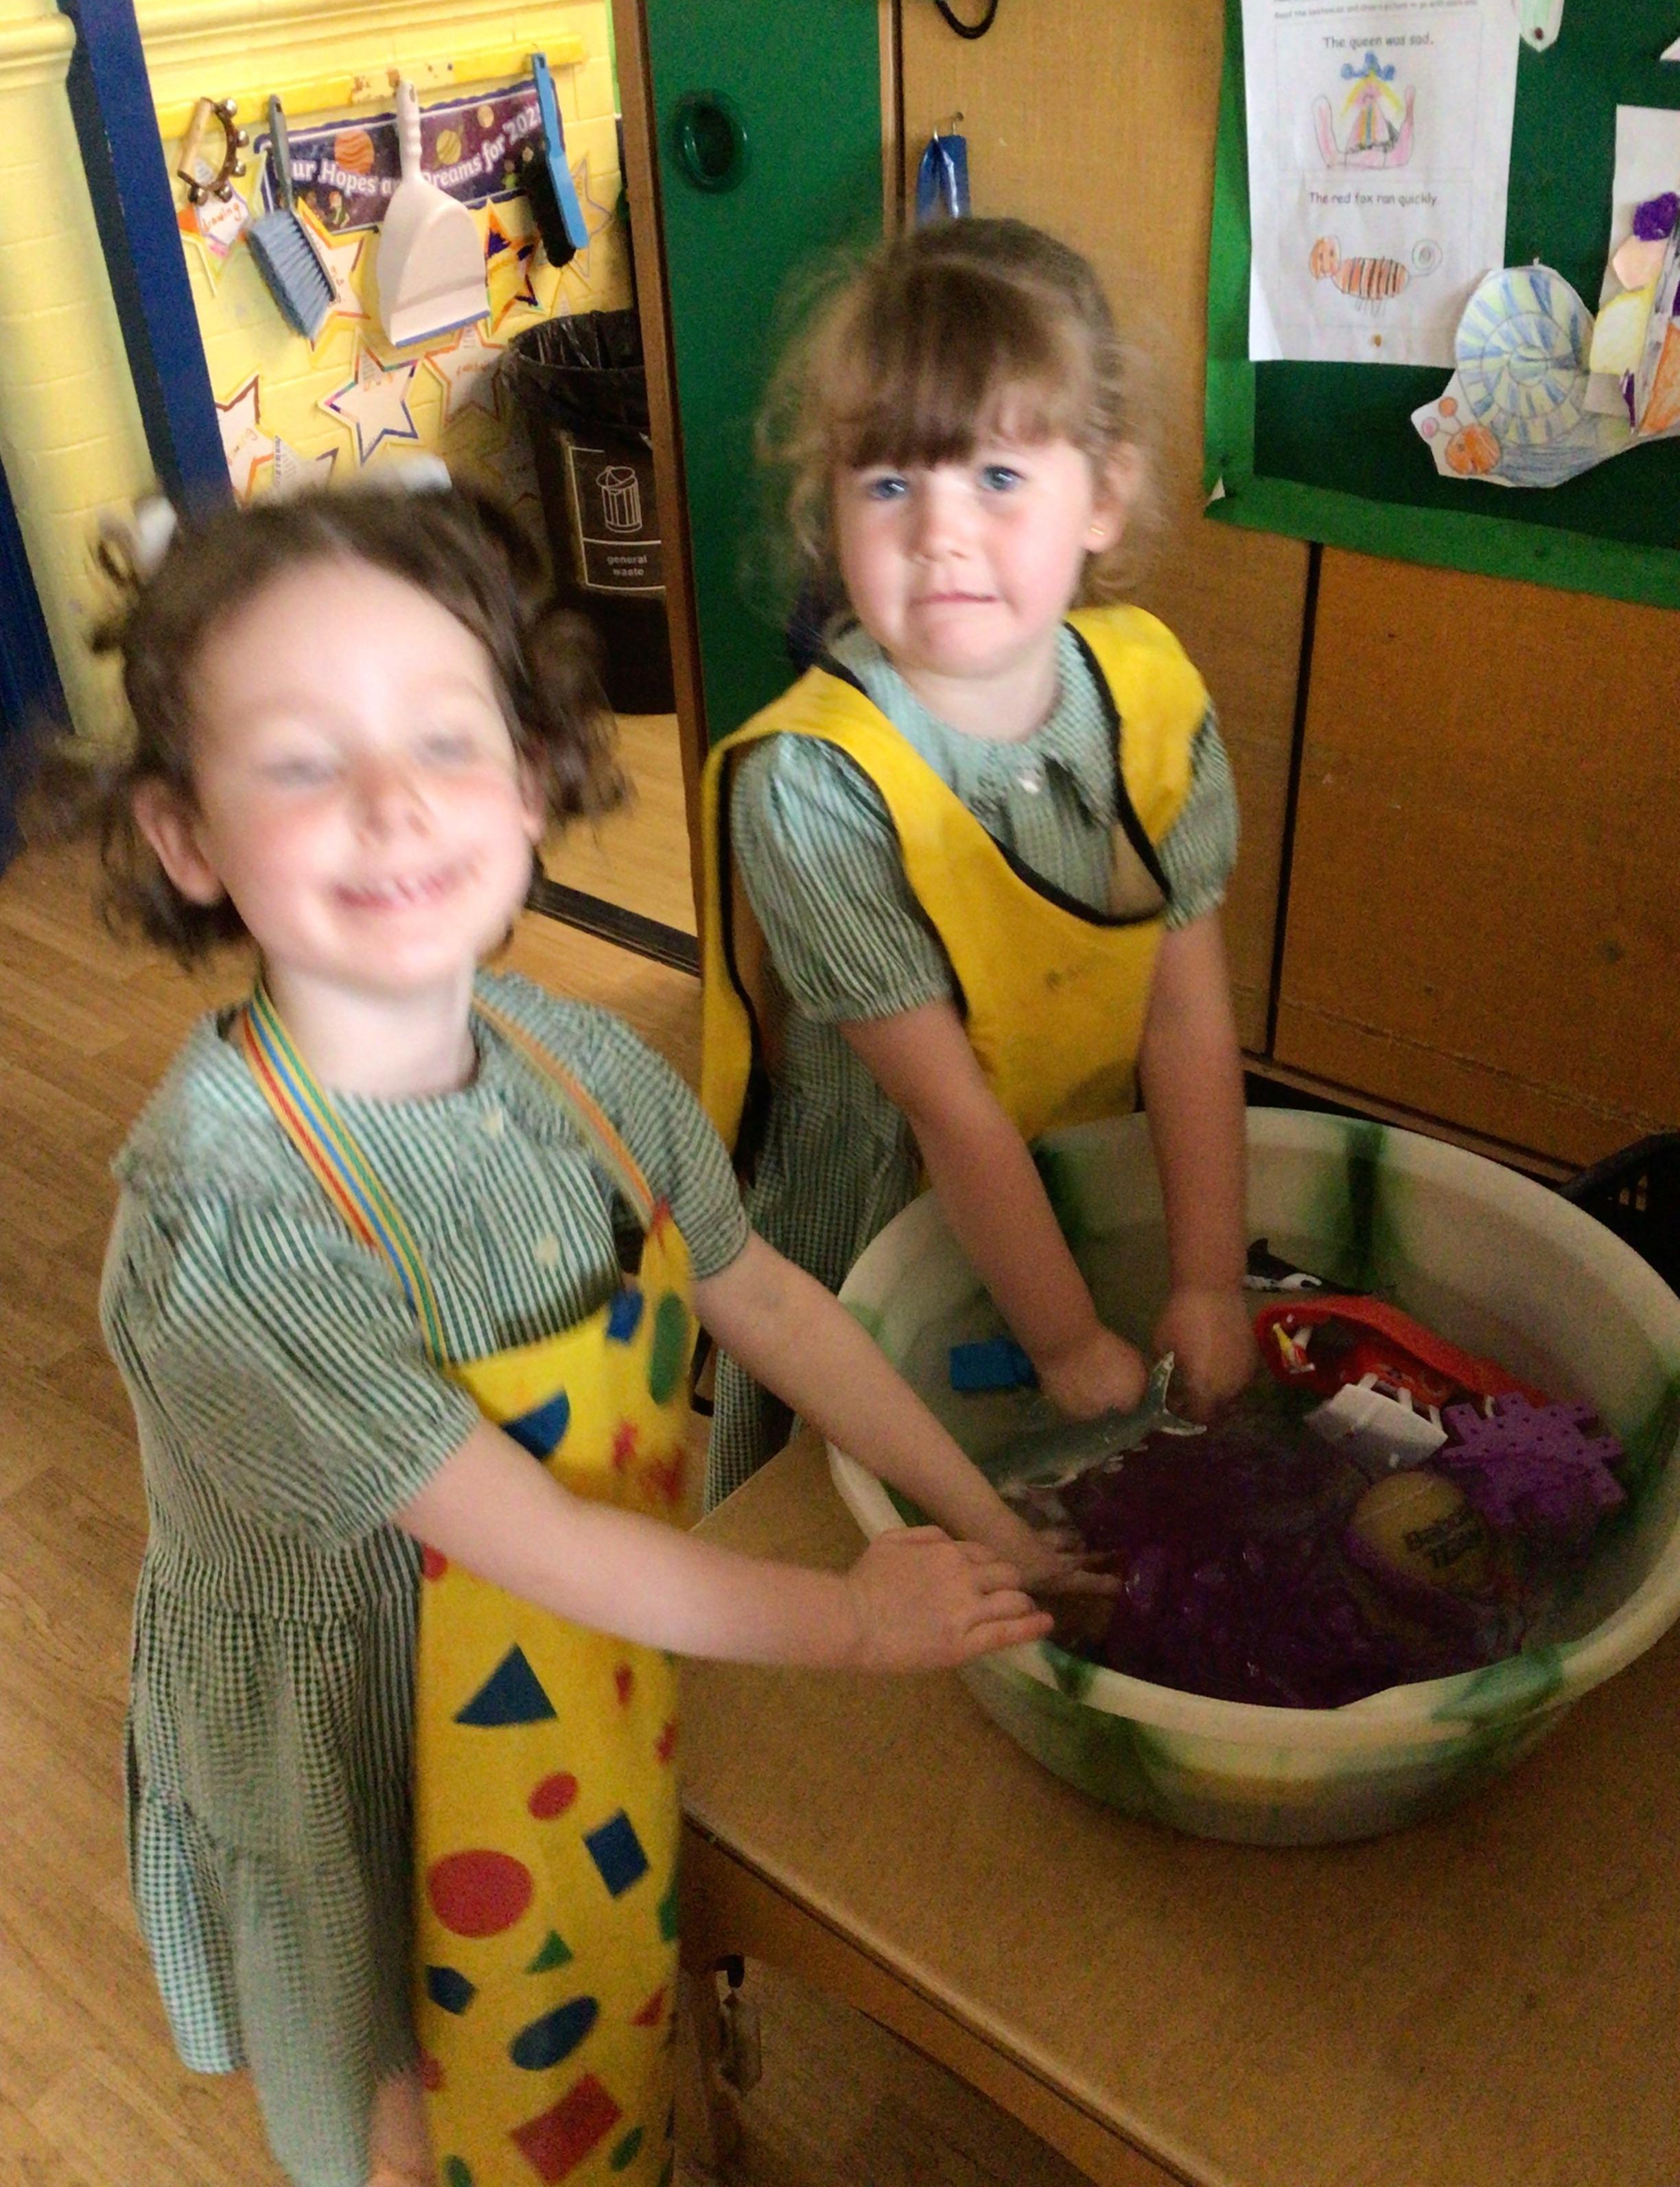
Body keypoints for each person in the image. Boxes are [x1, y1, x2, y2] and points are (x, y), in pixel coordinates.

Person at [54, 482, 1071, 2187]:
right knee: (425, 2131)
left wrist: (986, 1518)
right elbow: (528, 1541)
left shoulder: (582, 1069)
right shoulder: (227, 1225)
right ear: (188, 839)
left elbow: (774, 1306)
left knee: (597, 2012)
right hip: (361, 1748)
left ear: (531, 782)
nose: (392, 804)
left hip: (581, 1671)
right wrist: (849, 1618)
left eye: (446, 740)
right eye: (301, 763)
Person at [701, 216, 1257, 1509]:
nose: (940, 535)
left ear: (1102, 497)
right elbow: (947, 1116)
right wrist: (1062, 1343)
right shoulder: (813, 788)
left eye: (998, 476)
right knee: (859, 1508)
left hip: (1071, 1156)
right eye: (889, 486)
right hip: (883, 1204)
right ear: (831, 506)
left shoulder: (1151, 700)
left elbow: (1186, 1017)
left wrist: (1208, 1279)